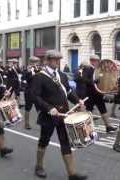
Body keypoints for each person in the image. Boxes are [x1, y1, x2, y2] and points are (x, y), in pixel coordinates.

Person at [31, 50, 87, 180]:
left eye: (58, 59)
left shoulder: (62, 75)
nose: (57, 61)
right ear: (47, 60)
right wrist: (49, 108)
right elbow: (35, 96)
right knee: (44, 141)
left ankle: (72, 173)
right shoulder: (40, 77)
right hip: (48, 116)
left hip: (64, 115)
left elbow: (67, 91)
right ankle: (38, 166)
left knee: (65, 142)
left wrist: (77, 100)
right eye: (54, 59)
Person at [82, 55, 117, 133]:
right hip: (90, 94)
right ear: (92, 61)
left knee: (103, 110)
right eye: (96, 61)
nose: (97, 62)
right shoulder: (87, 68)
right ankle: (86, 129)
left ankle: (108, 126)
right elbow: (84, 80)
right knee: (89, 111)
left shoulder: (97, 69)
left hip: (98, 93)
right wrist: (94, 81)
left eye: (98, 61)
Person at [21, 56, 41, 130]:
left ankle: (41, 122)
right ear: (30, 62)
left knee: (39, 108)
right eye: (33, 62)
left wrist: (37, 70)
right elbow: (23, 79)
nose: (35, 63)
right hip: (29, 92)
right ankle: (26, 123)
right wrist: (29, 72)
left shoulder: (39, 70)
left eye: (36, 62)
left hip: (37, 92)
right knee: (28, 108)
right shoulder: (26, 70)